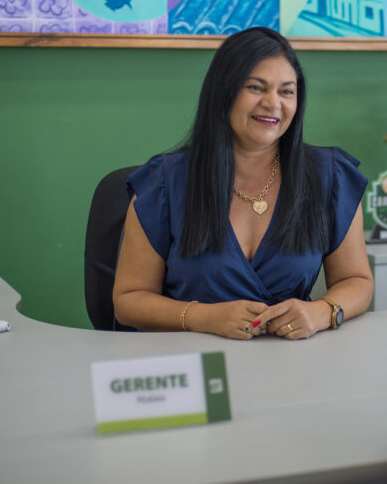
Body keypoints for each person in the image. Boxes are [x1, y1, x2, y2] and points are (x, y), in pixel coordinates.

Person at [113, 27, 373, 340]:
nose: (273, 103)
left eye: (286, 92)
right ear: (224, 92)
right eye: (256, 87)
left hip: (291, 359)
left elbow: (357, 280)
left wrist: (322, 311)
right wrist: (205, 317)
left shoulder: (329, 175)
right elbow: (128, 301)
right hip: (194, 358)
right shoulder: (163, 182)